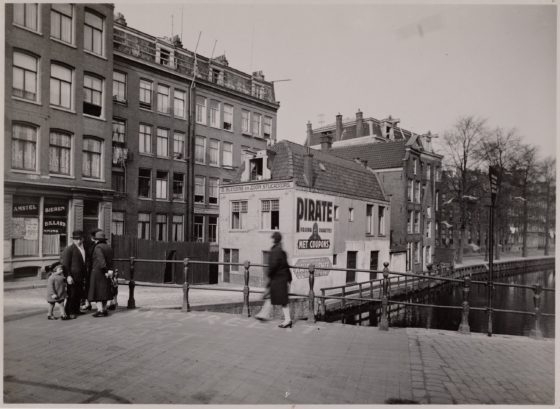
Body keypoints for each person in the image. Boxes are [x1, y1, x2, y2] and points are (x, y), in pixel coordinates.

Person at [255, 231, 293, 328]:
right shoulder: (281, 251)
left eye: (272, 238)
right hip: (282, 278)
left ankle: (265, 314)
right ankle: (265, 314)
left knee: (275, 297)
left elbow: (273, 266)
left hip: (277, 278)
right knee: (279, 298)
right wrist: (289, 278)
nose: (271, 239)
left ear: (274, 240)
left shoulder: (275, 251)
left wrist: (269, 276)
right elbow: (286, 266)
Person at [61, 230, 87, 319]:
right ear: (73, 240)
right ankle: (69, 311)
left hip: (81, 276)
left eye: (80, 239)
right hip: (72, 276)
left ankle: (76, 310)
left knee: (78, 293)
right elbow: (65, 264)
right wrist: (68, 275)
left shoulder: (84, 248)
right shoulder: (69, 249)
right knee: (71, 294)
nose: (78, 241)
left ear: (83, 239)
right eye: (76, 239)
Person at [88, 230, 114, 317]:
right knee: (105, 291)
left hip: (98, 272)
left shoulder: (98, 247)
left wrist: (104, 271)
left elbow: (101, 260)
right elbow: (111, 261)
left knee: (97, 291)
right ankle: (105, 309)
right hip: (108, 272)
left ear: (97, 240)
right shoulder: (108, 247)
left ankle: (100, 310)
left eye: (95, 239)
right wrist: (109, 271)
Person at [82, 228, 102, 311]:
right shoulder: (99, 245)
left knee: (87, 286)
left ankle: (88, 303)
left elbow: (87, 257)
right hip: (94, 268)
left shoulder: (90, 246)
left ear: (92, 237)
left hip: (89, 268)